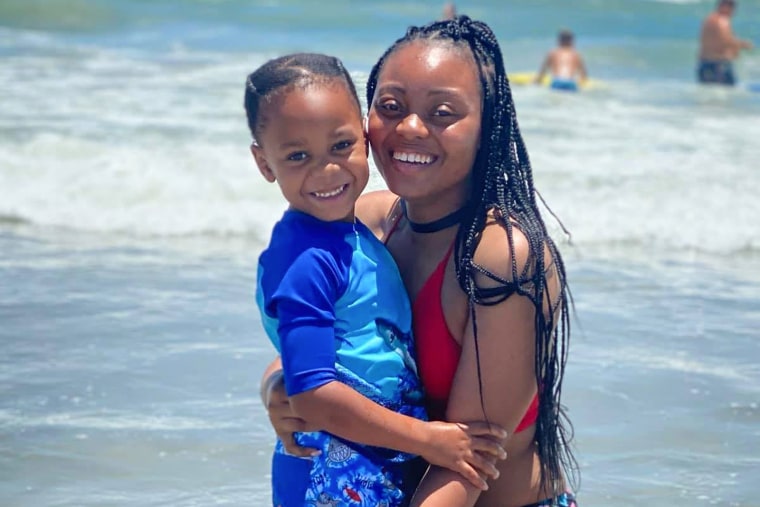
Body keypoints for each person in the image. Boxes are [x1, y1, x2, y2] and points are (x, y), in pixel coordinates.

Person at [262, 15, 579, 507]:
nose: (410, 127)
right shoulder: (364, 223)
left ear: (486, 126)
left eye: (442, 112)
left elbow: (468, 463)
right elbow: (322, 346)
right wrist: (279, 388)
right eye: (390, 107)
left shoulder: (504, 256)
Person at [245, 52, 507, 507]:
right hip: (330, 469)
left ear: (365, 137)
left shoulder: (350, 234)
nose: (327, 169)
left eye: (341, 145)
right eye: (298, 155)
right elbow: (311, 394)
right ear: (265, 164)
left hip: (365, 458)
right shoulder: (307, 258)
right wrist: (428, 440)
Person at [697, 0, 753, 86]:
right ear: (725, 6)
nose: (733, 12)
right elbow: (725, 40)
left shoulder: (709, 19)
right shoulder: (722, 20)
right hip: (719, 66)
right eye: (733, 8)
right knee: (725, 96)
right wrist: (743, 44)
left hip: (704, 65)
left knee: (708, 96)